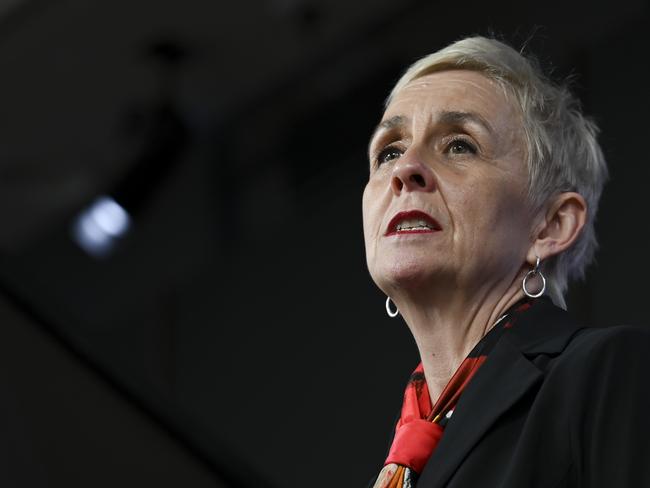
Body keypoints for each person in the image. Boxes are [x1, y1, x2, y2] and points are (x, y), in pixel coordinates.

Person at [362, 36, 650, 487]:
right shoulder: (411, 450)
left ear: (551, 225)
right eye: (389, 151)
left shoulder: (607, 375)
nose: (405, 169)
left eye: (460, 145)